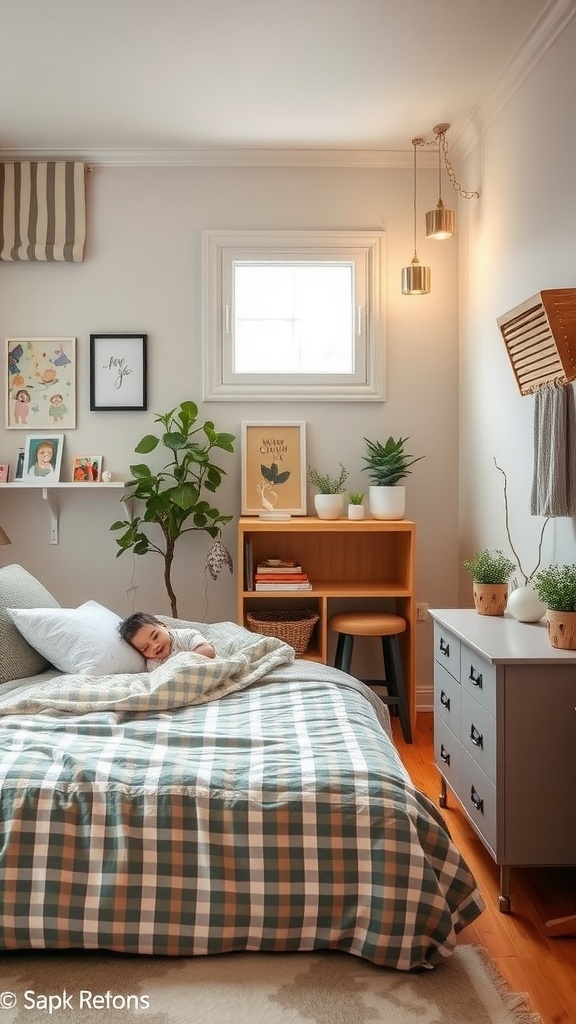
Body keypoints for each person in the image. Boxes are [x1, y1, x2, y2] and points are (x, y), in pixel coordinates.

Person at [118, 611, 216, 669]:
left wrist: (181, 662)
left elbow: (209, 651)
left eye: (155, 636)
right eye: (146, 648)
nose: (155, 646)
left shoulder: (184, 636)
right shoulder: (153, 663)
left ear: (164, 626)